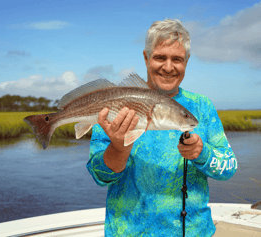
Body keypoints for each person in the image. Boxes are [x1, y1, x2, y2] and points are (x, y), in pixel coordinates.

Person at [87, 18, 237, 237]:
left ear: (187, 60)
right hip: (128, 232)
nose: (168, 67)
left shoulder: (202, 106)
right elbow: (100, 176)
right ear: (146, 57)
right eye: (160, 57)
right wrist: (118, 148)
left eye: (177, 59)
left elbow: (229, 168)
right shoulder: (117, 102)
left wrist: (202, 153)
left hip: (195, 231)